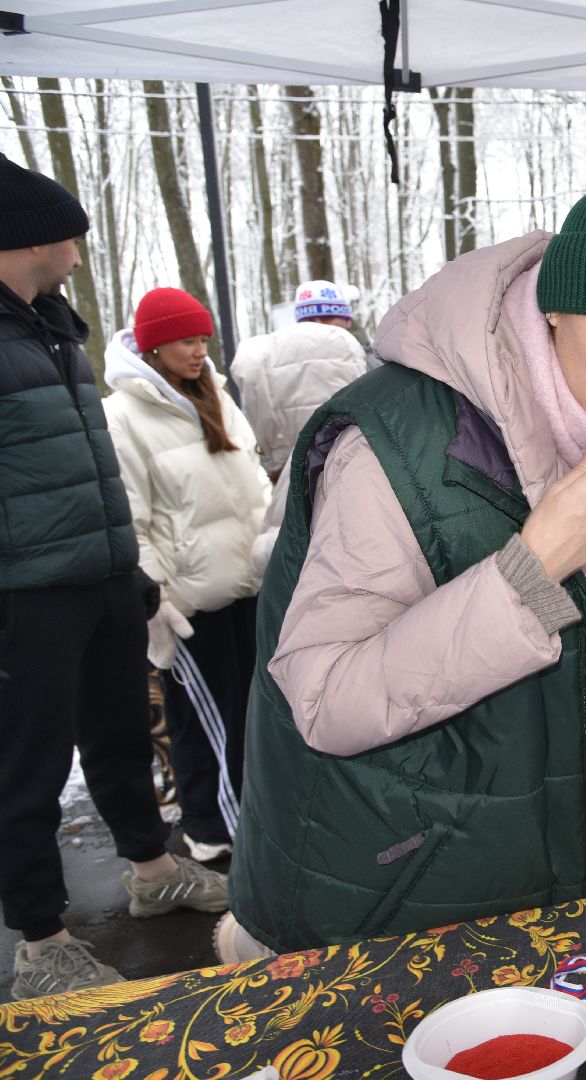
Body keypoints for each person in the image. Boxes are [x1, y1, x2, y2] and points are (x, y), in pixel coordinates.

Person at [221, 125, 586, 958]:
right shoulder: (397, 440)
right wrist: (531, 573)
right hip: (371, 895)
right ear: (557, 304)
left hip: (529, 868)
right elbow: (320, 697)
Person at [0, 157, 227, 1000]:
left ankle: (152, 867)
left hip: (96, 571)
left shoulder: (50, 323)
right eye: (71, 235)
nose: (79, 251)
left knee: (120, 733)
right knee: (25, 762)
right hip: (25, 588)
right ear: (28, 238)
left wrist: (124, 565)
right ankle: (40, 936)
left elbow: (85, 465)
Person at [104, 287, 273, 864]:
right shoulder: (123, 417)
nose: (199, 350)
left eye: (203, 338)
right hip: (189, 604)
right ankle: (213, 836)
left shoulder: (217, 397)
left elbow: (254, 487)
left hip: (246, 586)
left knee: (253, 711)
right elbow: (130, 516)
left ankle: (253, 819)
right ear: (153, 347)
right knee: (205, 724)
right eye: (185, 340)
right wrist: (156, 600)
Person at [230, 278, 368, 481]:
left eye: (328, 319)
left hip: (290, 474)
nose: (320, 327)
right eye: (313, 319)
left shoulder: (266, 354)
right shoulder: (360, 351)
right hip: (354, 470)